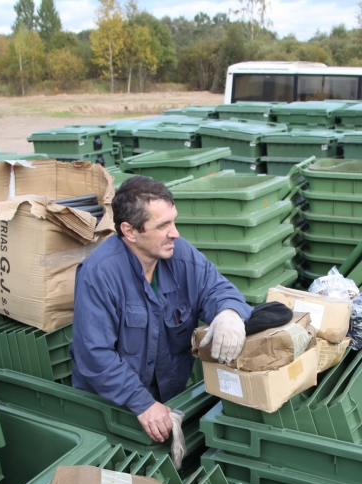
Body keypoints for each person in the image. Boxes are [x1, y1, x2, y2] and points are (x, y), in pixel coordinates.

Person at [72, 175, 252, 443]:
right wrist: (142, 403)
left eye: (174, 220)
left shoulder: (179, 254)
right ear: (130, 231)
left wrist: (230, 313)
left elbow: (217, 289)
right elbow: (95, 355)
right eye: (163, 225)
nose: (175, 233)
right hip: (112, 407)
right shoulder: (99, 273)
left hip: (170, 396)